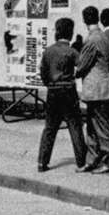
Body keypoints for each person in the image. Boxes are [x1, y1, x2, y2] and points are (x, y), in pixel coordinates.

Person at [37, 18, 87, 173]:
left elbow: (43, 72)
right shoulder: (71, 51)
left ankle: (42, 162)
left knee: (50, 128)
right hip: (68, 92)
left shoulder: (49, 51)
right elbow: (82, 66)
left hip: (53, 92)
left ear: (57, 32)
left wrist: (50, 84)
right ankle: (81, 161)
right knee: (75, 126)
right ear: (71, 33)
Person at [76, 6, 109, 173]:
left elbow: (81, 66)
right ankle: (93, 159)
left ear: (84, 19)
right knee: (94, 126)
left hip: (97, 90)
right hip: (105, 86)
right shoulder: (103, 37)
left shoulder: (92, 39)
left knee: (99, 127)